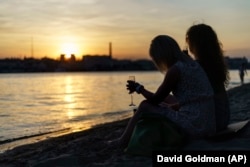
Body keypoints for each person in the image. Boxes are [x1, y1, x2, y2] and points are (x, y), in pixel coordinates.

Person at [113, 35, 216, 148]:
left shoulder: (175, 70)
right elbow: (191, 98)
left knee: (145, 105)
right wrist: (170, 106)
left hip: (195, 126)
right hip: (209, 123)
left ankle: (122, 141)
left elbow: (156, 99)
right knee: (169, 98)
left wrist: (139, 88)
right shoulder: (192, 64)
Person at [186, 23, 230, 132]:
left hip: (212, 121)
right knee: (168, 99)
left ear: (195, 44)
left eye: (189, 41)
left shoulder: (197, 67)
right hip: (223, 118)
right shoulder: (215, 64)